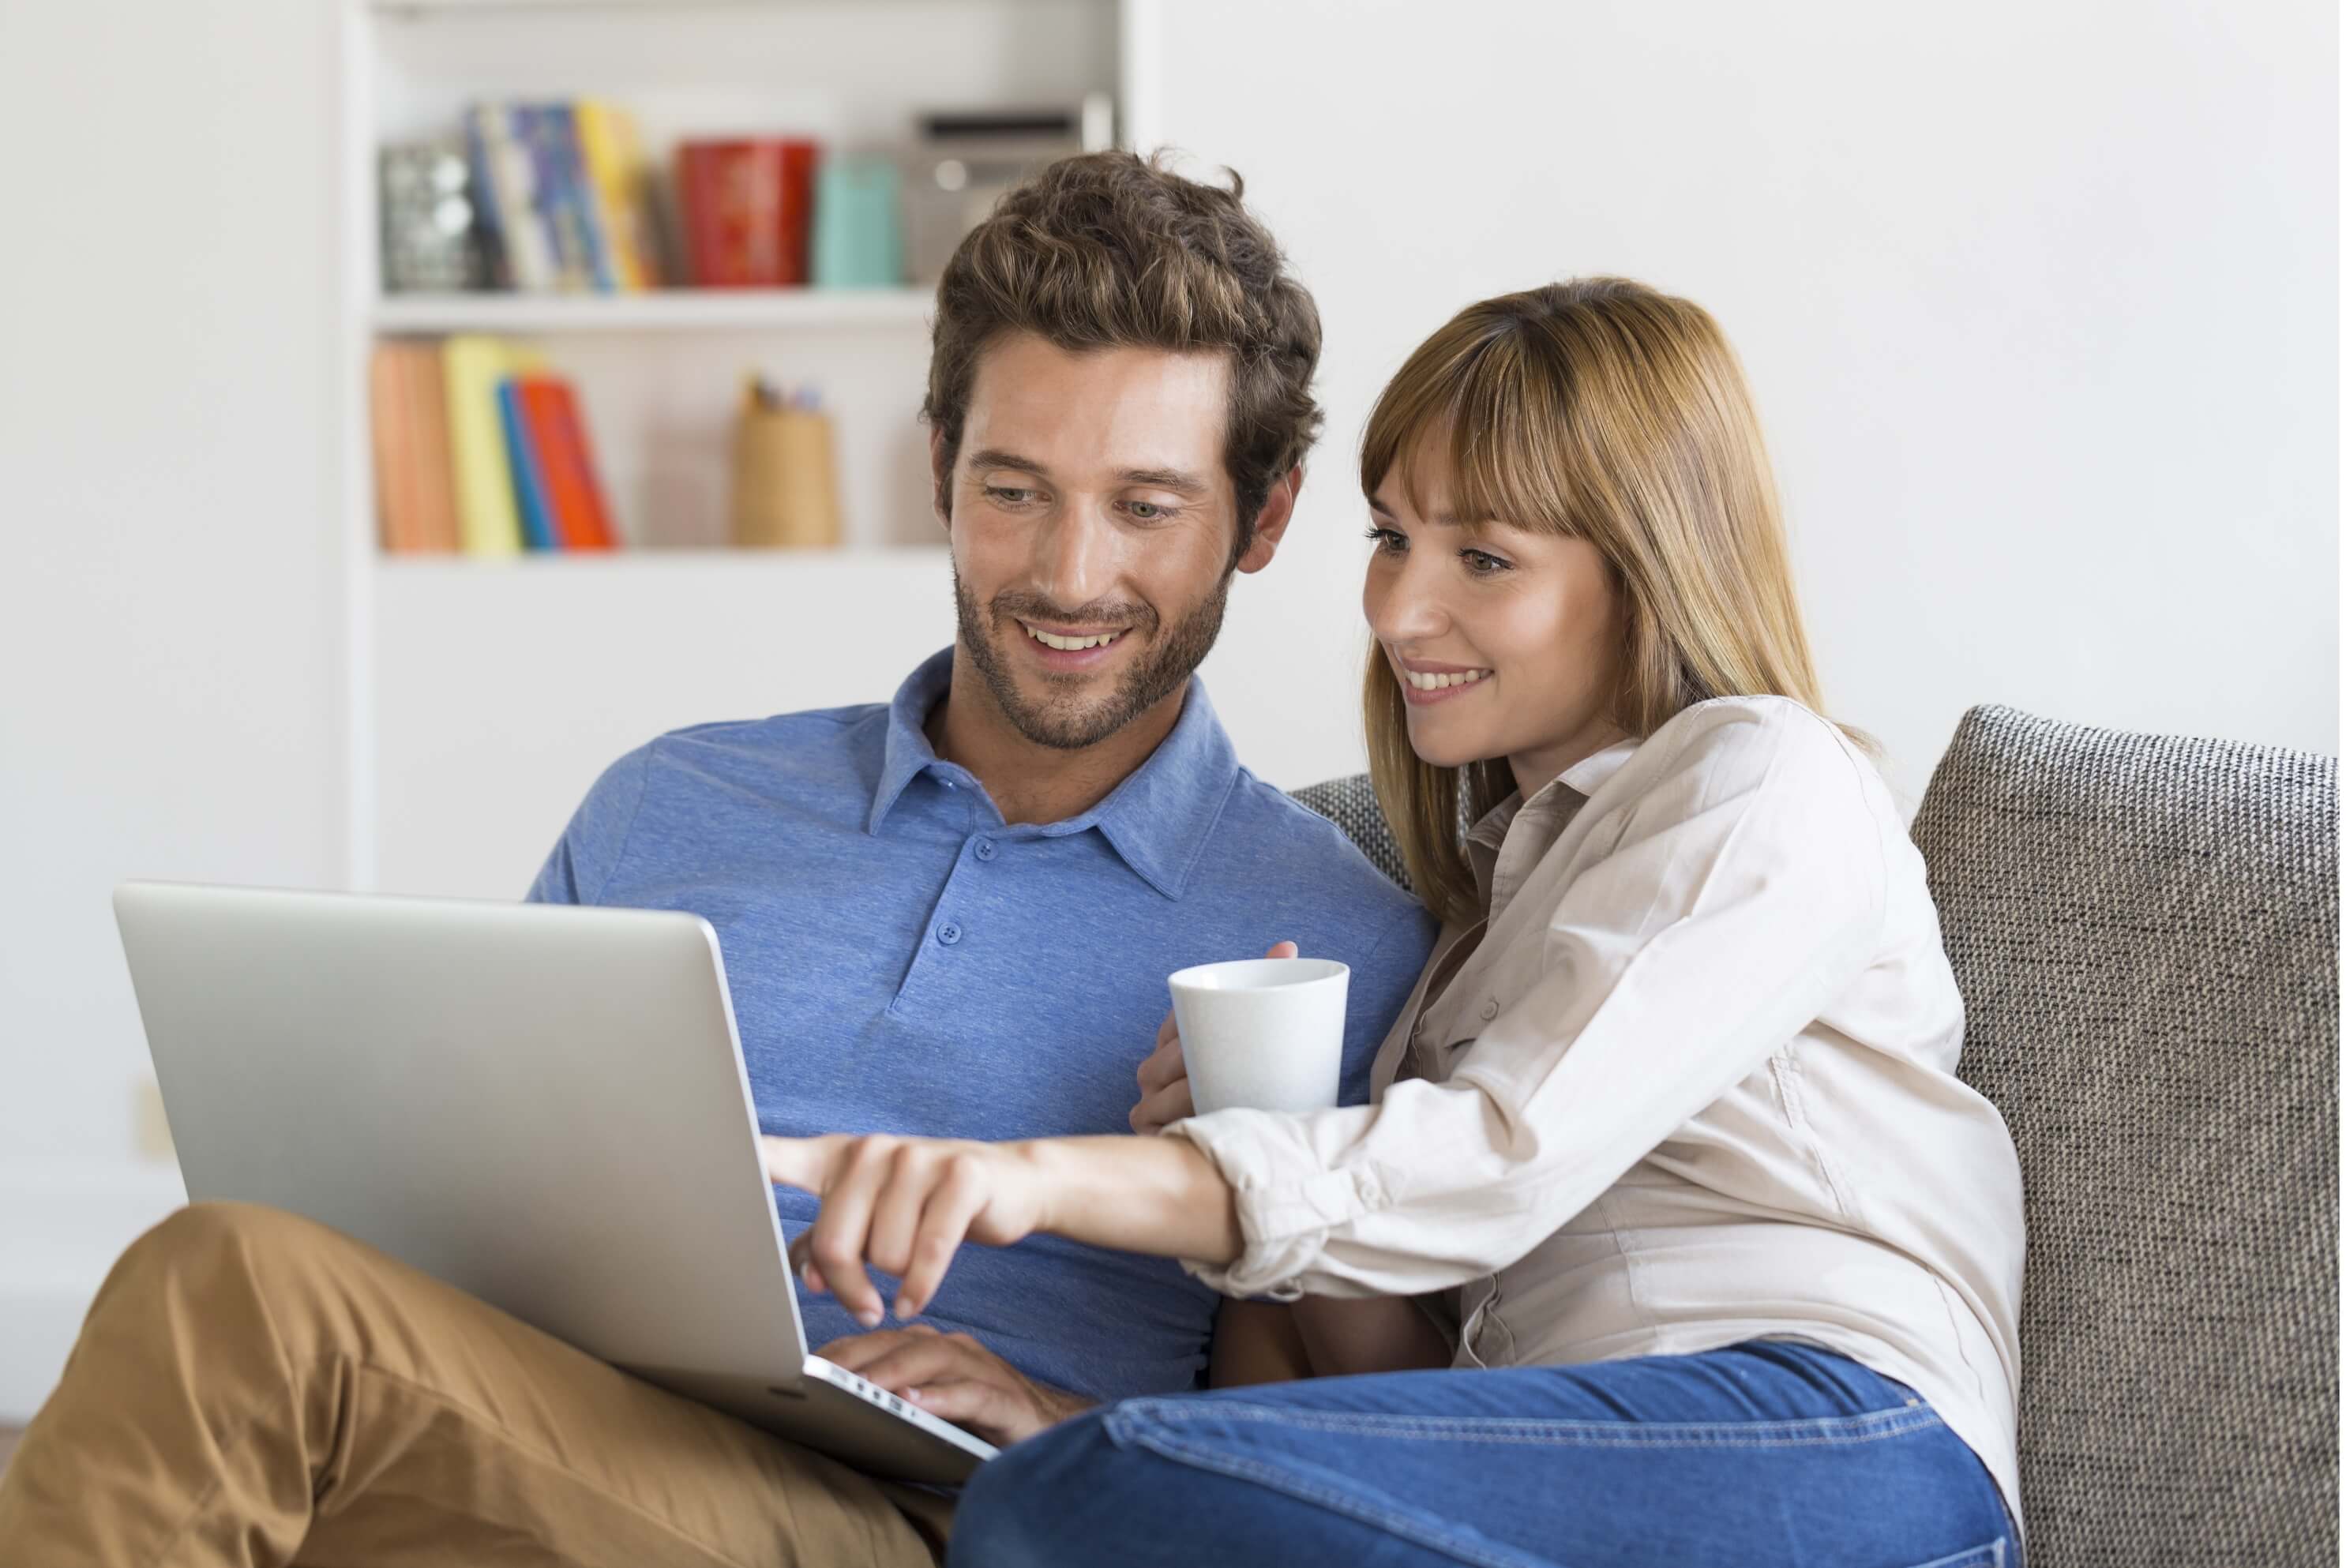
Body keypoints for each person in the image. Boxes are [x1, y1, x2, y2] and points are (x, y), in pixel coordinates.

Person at [0, 152, 1435, 1567]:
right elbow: (472, 1195)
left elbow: (1384, 1452)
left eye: (1144, 506)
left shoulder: (1336, 934)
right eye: (1014, 490)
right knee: (258, 1354)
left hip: (939, 1512)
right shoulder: (673, 802)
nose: (1068, 573)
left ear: (1262, 518)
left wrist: (1064, 1418)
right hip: (560, 1431)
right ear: (937, 464)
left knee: (234, 1288)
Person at [763, 277, 2029, 1567]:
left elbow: (1497, 1157)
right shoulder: (1471, 950)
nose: (1398, 610)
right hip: (1559, 1458)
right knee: (1072, 1484)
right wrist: (1072, 1402)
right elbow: (1349, 1399)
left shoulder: (1766, 777)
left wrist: (1021, 1178)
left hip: (1841, 1442)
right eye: (1390, 538)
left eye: (1482, 556)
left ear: (1647, 566)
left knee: (1078, 1500)